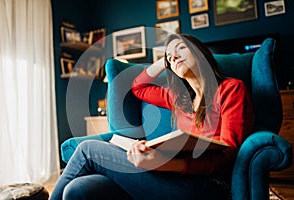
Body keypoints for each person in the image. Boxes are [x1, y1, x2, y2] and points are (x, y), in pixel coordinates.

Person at [50, 34, 254, 200]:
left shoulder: (231, 89)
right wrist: (162, 62)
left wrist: (165, 164)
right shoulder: (178, 99)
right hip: (168, 176)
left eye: (181, 48)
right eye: (170, 56)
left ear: (200, 53)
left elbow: (229, 155)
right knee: (75, 189)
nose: (174, 56)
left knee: (87, 149)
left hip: (208, 185)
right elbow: (138, 87)